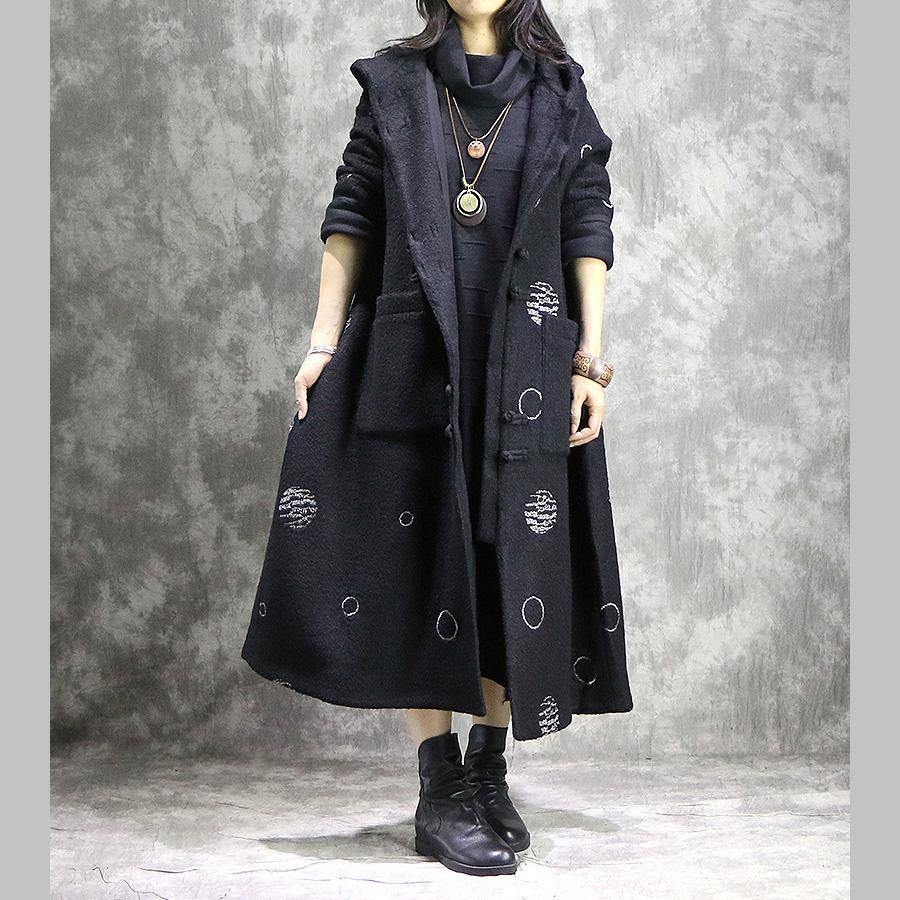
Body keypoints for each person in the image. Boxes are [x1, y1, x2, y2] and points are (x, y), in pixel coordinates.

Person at [241, 0, 633, 877]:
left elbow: (588, 220)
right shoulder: (394, 83)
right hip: (416, 352)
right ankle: (439, 783)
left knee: (510, 560)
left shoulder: (559, 90)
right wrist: (322, 345)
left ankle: (489, 771)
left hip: (526, 358)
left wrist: (590, 360)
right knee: (423, 560)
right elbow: (352, 214)